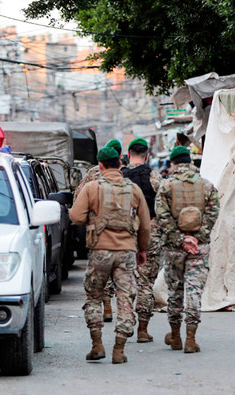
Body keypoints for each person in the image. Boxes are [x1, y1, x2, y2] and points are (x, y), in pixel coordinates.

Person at [69, 146, 150, 364]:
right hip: (126, 253)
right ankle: (119, 349)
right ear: (120, 165)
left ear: (101, 166)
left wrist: (92, 221)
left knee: (94, 296)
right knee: (125, 299)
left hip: (100, 252)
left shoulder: (91, 187)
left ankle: (97, 345)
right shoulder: (133, 189)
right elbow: (144, 224)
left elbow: (76, 216)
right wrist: (142, 249)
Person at [155, 145, 219, 353]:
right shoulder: (207, 186)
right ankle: (191, 339)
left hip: (174, 248)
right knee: (194, 291)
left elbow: (162, 217)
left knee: (175, 290)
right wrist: (196, 238)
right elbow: (213, 214)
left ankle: (175, 336)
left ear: (173, 163)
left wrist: (180, 239)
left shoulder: (165, 186)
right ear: (190, 162)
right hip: (199, 248)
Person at [74, 138, 123, 323]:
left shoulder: (92, 174)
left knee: (99, 270)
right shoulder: (125, 174)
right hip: (122, 230)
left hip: (97, 229)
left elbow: (78, 198)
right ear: (119, 156)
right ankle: (120, 310)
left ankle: (105, 303)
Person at [120, 138, 162, 343]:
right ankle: (143, 330)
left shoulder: (118, 179)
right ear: (147, 156)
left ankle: (125, 327)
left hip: (123, 236)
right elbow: (164, 208)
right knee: (146, 284)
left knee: (124, 283)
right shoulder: (154, 178)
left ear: (128, 155)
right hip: (150, 234)